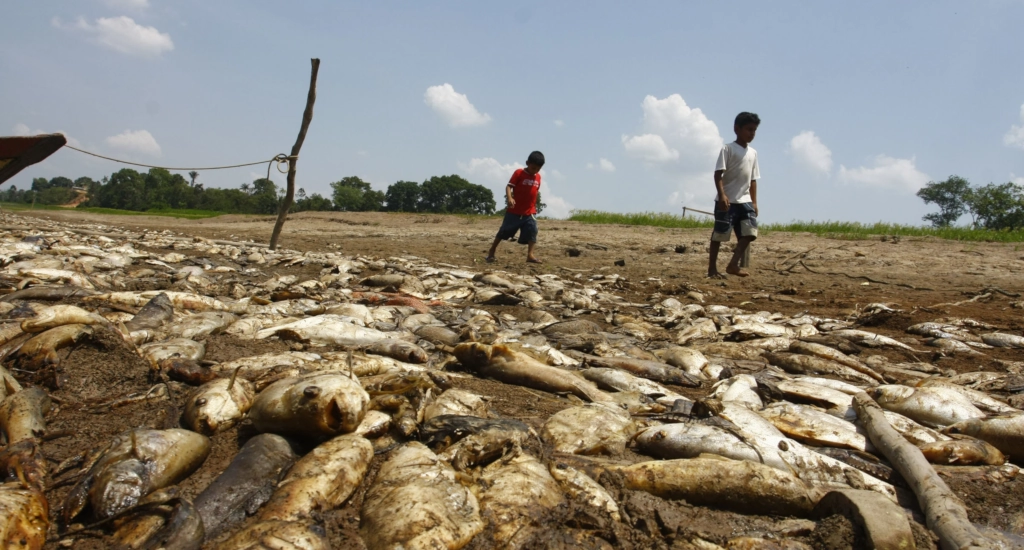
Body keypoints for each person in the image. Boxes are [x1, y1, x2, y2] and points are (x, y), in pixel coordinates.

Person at [708, 112, 761, 278]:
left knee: (749, 233)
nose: (751, 133)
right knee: (720, 234)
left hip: (745, 201)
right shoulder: (728, 149)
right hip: (728, 200)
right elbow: (718, 174)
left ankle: (733, 264)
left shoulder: (753, 153)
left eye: (754, 130)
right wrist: (722, 195)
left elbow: (753, 180)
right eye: (748, 129)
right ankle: (712, 269)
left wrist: (754, 202)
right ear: (737, 129)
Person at [486, 150, 545, 264]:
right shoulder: (519, 173)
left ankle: (530, 255)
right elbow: (509, 187)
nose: (535, 171)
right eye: (533, 168)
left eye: (538, 169)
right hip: (514, 211)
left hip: (530, 212)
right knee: (504, 231)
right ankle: (492, 250)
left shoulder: (538, 177)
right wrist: (510, 198)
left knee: (533, 230)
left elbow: (535, 192)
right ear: (527, 163)